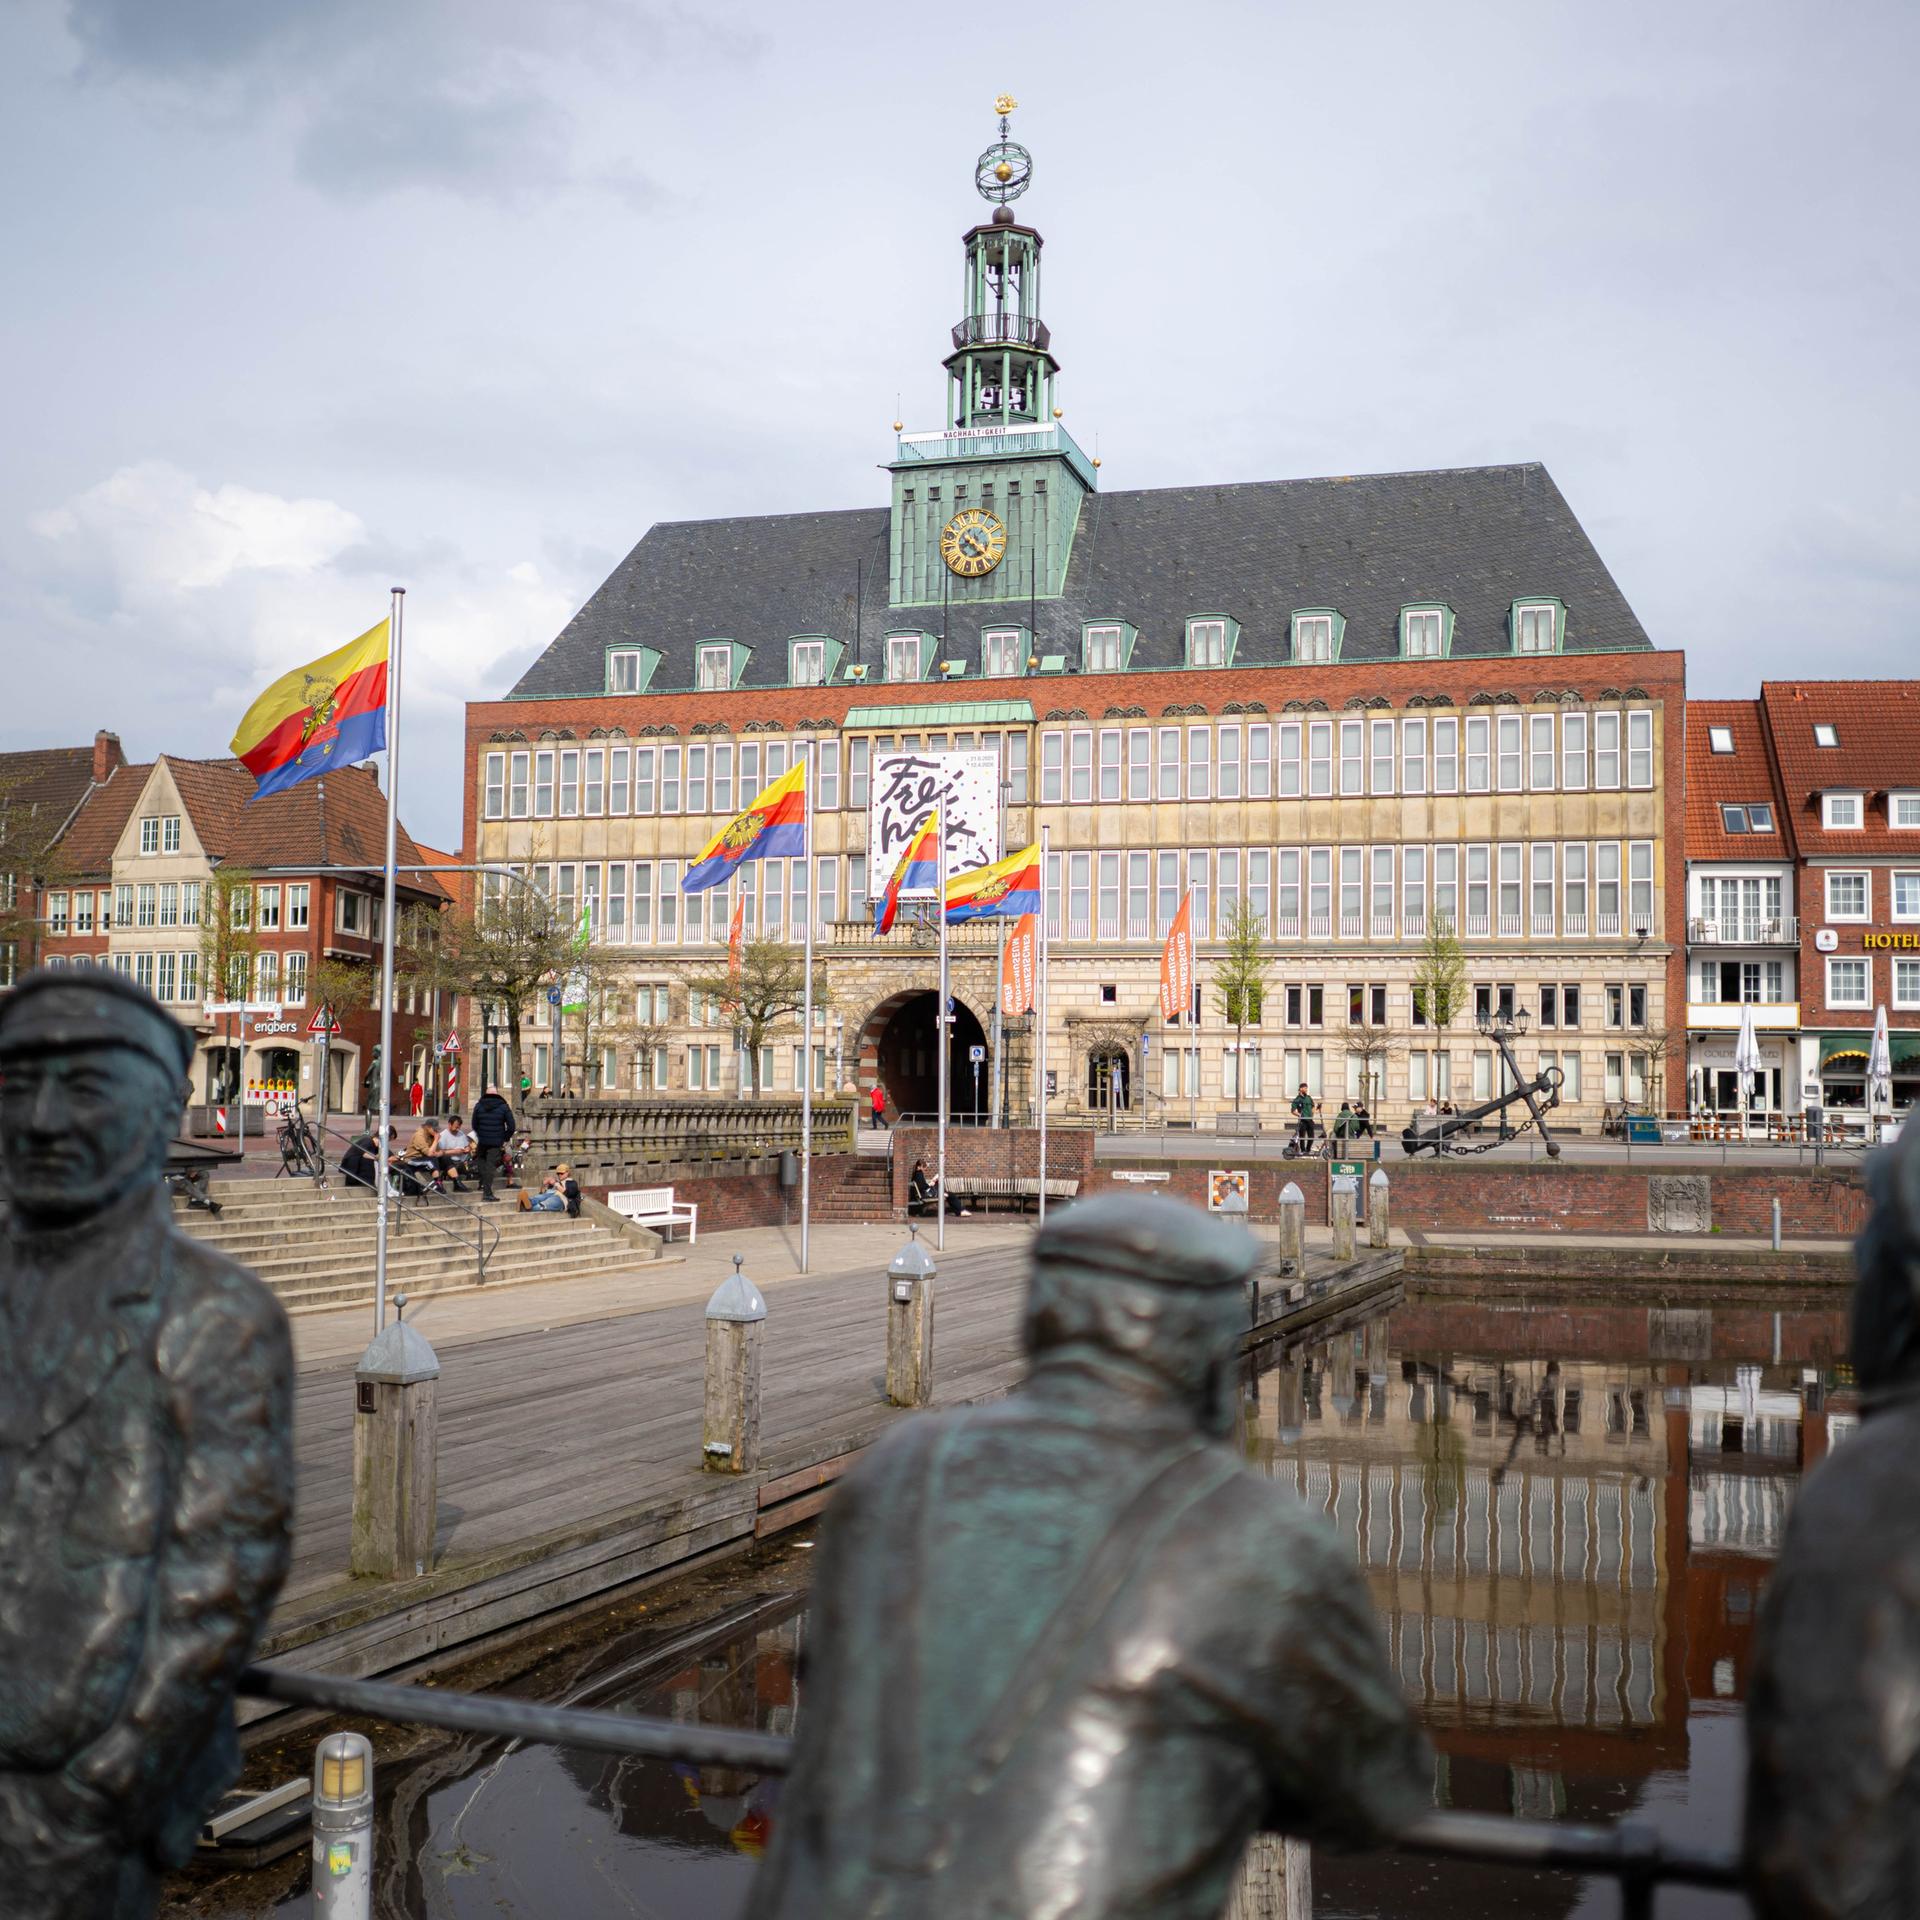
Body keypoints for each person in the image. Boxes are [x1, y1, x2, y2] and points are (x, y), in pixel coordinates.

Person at [744, 1195, 1430, 1920]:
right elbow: (1379, 1793)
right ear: (1208, 1341)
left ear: (1039, 1317)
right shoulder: (1257, 1536)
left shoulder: (897, 1471)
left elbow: (831, 1685)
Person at [0, 970, 294, 1917]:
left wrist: (111, 1780)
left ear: (162, 1104)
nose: (42, 1120)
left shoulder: (214, 1317)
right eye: (15, 1087)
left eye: (84, 1089)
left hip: (72, 1792)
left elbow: (221, 1576)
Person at [471, 1084, 516, 1203]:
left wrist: (480, 1134)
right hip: (496, 1140)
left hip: (483, 1140)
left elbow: (474, 1124)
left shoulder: (478, 1106)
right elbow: (511, 1126)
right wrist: (504, 1137)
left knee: (481, 1161)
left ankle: (482, 1183)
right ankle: (487, 1193)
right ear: (497, 1094)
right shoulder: (504, 1106)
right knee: (490, 1166)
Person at [433, 1113, 475, 1190]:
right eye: (456, 1127)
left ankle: (464, 1173)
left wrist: (467, 1148)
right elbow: (440, 1152)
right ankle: (455, 1177)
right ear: (449, 1124)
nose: (457, 1129)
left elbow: (467, 1145)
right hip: (451, 1161)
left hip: (463, 1160)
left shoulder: (461, 1134)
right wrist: (455, 1151)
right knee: (449, 1161)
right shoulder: (443, 1135)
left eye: (459, 1127)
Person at [1290, 1082, 1316, 1152]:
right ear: (1301, 1089)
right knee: (1302, 1137)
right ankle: (1303, 1151)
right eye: (1305, 1088)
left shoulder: (1309, 1098)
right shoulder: (1297, 1099)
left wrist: (1312, 1114)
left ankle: (1308, 1150)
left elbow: (1313, 1107)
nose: (1306, 1090)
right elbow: (1293, 1111)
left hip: (1310, 1120)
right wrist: (1299, 1115)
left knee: (1312, 1137)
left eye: (1307, 1088)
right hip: (1303, 1121)